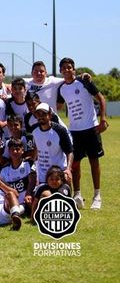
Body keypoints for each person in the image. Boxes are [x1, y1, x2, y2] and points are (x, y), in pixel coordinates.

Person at [57, 57, 108, 210]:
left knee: (94, 161)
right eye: (64, 68)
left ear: (74, 69)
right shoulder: (61, 89)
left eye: (70, 67)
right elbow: (58, 107)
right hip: (74, 131)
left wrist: (102, 120)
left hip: (91, 128)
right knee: (75, 164)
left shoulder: (84, 81)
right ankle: (77, 195)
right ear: (61, 71)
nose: (67, 70)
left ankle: (97, 195)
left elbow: (101, 99)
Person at [31, 103, 74, 187]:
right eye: (38, 114)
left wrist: (68, 169)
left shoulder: (60, 130)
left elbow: (70, 151)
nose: (41, 117)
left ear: (50, 115)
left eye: (44, 114)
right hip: (43, 174)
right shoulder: (34, 130)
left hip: (58, 173)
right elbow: (36, 146)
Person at [0, 139, 36, 217]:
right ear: (9, 151)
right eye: (12, 150)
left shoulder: (28, 164)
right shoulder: (4, 170)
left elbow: (32, 181)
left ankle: (17, 214)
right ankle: (15, 213)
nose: (15, 152)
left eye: (17, 149)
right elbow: (5, 189)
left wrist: (28, 194)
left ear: (22, 150)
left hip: (27, 200)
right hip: (12, 202)